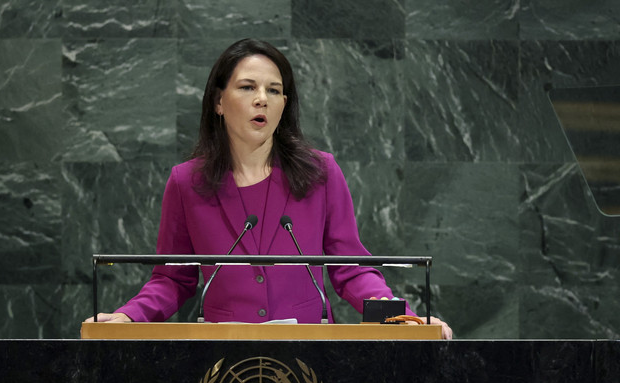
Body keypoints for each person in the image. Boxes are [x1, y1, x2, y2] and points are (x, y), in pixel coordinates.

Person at [85, 38, 453, 339]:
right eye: (248, 87)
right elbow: (172, 279)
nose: (262, 98)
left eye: (274, 90)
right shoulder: (186, 182)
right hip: (223, 358)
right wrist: (128, 317)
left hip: (310, 353)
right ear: (218, 101)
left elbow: (351, 269)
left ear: (283, 105)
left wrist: (404, 319)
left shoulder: (321, 172)